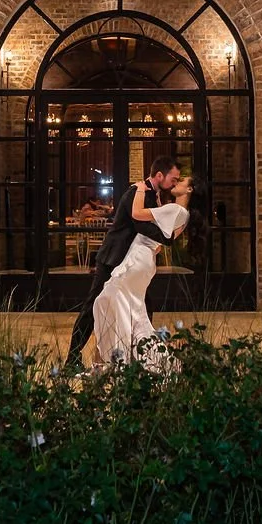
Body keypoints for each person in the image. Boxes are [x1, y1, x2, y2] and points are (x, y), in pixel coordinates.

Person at [64, 155, 180, 366]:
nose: (175, 184)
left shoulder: (152, 195)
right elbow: (142, 226)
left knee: (144, 306)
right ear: (160, 175)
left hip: (129, 264)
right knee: (92, 307)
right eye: (173, 179)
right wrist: (170, 237)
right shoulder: (138, 192)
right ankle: (72, 358)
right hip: (113, 260)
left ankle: (140, 357)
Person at [91, 171, 193, 365]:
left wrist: (138, 189)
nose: (176, 182)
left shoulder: (174, 210)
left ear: (189, 190)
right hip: (146, 260)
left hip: (138, 259)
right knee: (131, 309)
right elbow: (164, 239)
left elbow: (137, 213)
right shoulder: (184, 215)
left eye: (182, 181)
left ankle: (114, 360)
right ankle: (138, 358)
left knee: (109, 301)